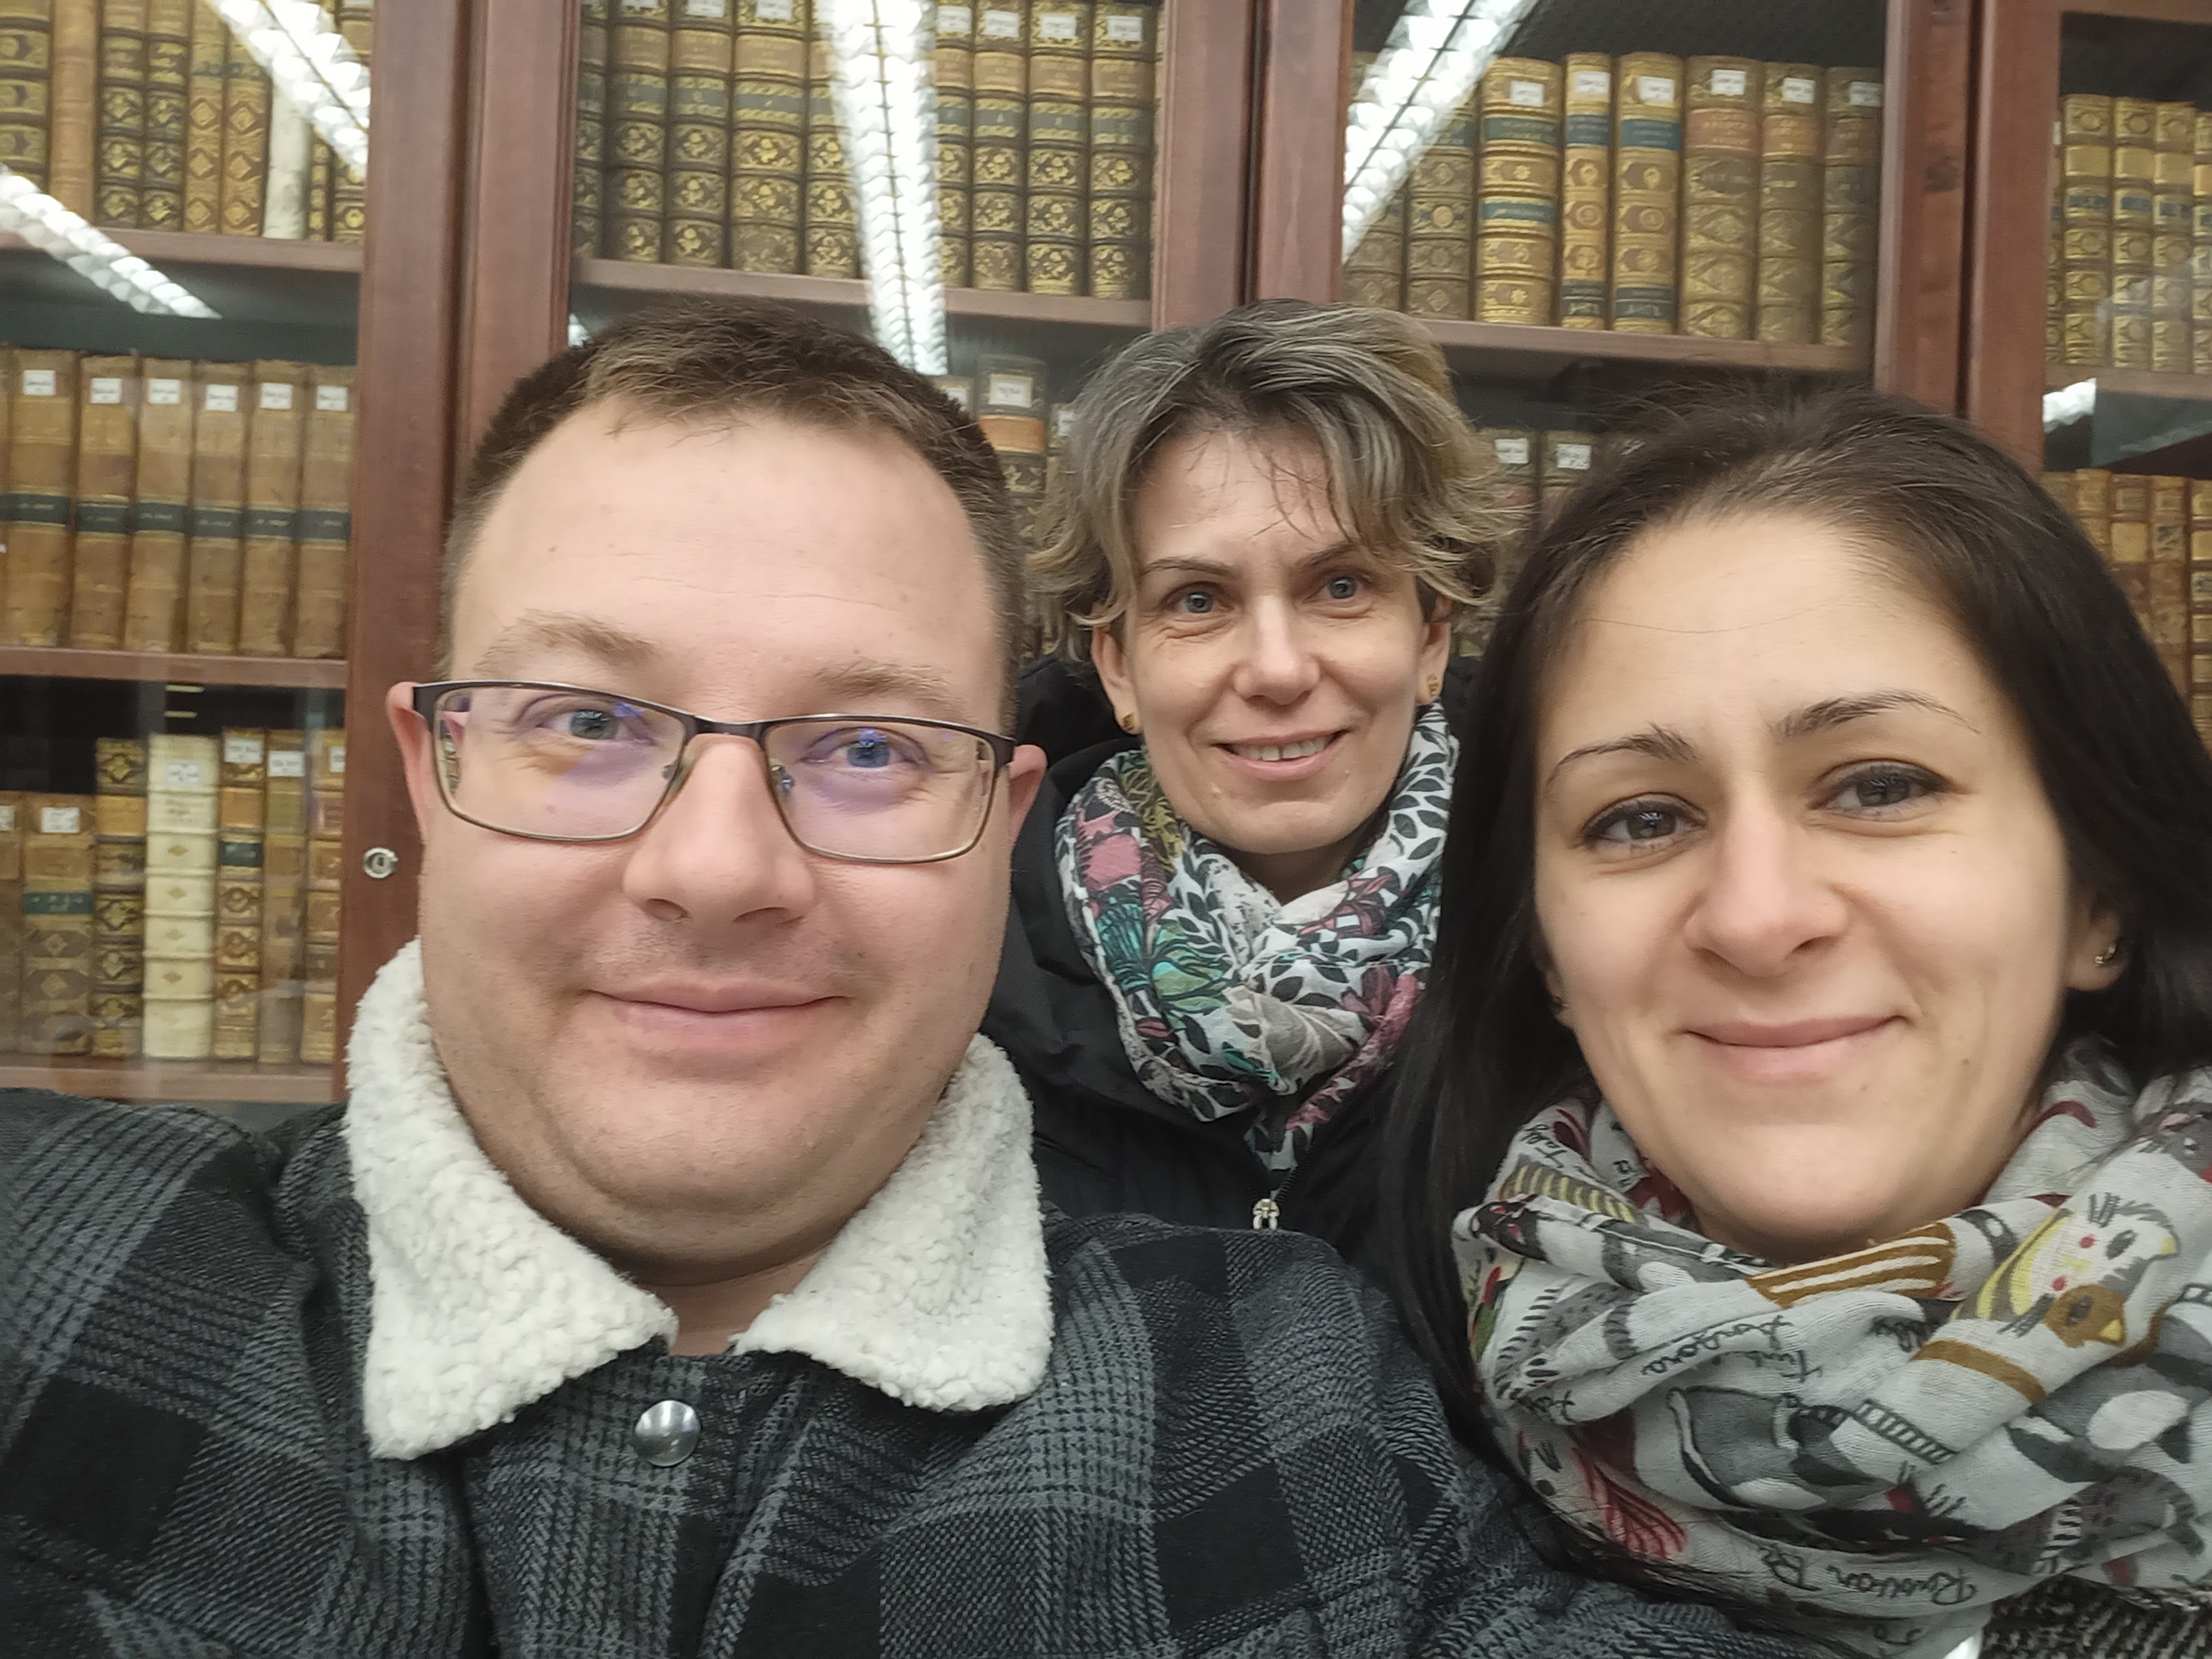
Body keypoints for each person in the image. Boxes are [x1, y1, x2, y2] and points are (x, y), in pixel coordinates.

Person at [0, 297, 1806, 1659]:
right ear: (428, 771)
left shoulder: (1298, 1399)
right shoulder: (58, 1273)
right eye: (587, 722)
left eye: (866, 747)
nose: (719, 869)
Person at [1381, 384, 2212, 1659]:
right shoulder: (1353, 1481)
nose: (1754, 917)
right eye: (1639, 818)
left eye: (1877, 786)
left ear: (2095, 893)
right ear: (1543, 948)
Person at [987, 299, 1499, 1267]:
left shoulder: (1569, 962)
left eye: (1341, 586)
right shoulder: (960, 977)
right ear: (1118, 666)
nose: (1277, 670)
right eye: (1198, 600)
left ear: (1431, 639)